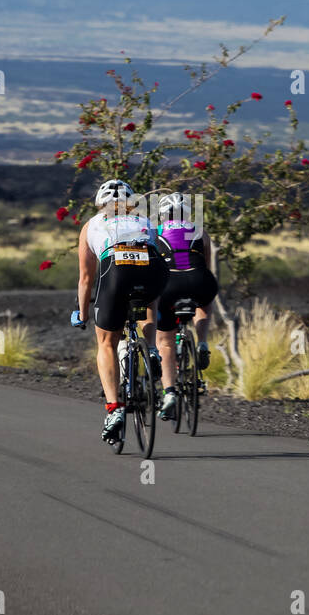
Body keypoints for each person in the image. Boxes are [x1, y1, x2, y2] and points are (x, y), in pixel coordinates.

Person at [70, 179, 169, 444]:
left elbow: (85, 279)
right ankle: (151, 349)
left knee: (106, 342)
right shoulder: (145, 220)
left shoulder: (91, 225)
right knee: (149, 298)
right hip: (154, 270)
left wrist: (82, 314)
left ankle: (114, 409)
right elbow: (158, 251)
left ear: (100, 203)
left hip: (115, 271)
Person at [153, 192, 219, 420]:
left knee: (165, 342)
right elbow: (206, 265)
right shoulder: (201, 231)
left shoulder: (155, 233)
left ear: (162, 214)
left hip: (169, 285)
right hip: (200, 281)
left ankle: (169, 391)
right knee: (206, 300)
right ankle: (201, 342)